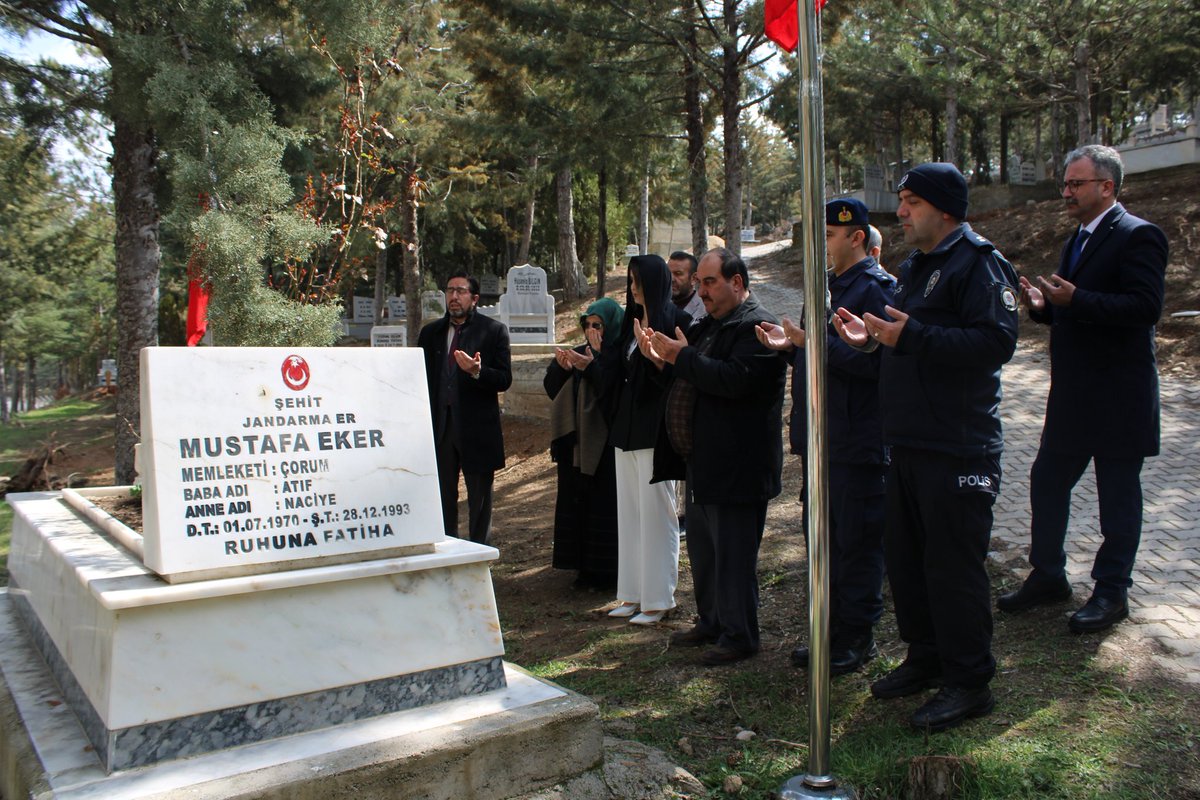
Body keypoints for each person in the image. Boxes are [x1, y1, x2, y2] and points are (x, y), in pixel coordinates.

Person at [834, 163, 1019, 731]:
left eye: (911, 201)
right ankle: (926, 655)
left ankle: (969, 681)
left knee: (952, 567)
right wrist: (872, 345)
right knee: (909, 562)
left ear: (943, 208)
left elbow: (997, 342)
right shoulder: (915, 266)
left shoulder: (980, 263)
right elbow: (901, 337)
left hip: (957, 447)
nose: (903, 212)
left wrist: (910, 336)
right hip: (908, 443)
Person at [997, 145, 1168, 633]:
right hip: (1073, 397)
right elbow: (1074, 308)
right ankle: (1048, 575)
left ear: (1107, 187)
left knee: (1117, 497)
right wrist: (1043, 306)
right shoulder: (1079, 239)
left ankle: (1112, 591)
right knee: (1047, 481)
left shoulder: (1140, 236)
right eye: (1066, 184)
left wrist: (1077, 298)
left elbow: (1144, 307)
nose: (1066, 192)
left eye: (1076, 184)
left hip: (1119, 396)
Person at [756, 198, 894, 676]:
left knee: (855, 544)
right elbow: (816, 359)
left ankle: (857, 638)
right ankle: (829, 629)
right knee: (823, 542)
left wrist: (811, 343)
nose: (822, 244)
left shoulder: (876, 290)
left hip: (856, 440)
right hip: (822, 438)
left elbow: (876, 364)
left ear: (857, 237)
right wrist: (788, 349)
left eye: (830, 235)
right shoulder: (826, 286)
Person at [644, 247, 787, 666]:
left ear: (737, 282)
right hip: (704, 461)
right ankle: (712, 621)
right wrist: (665, 362)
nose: (701, 292)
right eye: (700, 283)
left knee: (733, 556)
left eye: (710, 282)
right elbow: (694, 374)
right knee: (706, 552)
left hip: (738, 466)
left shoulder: (756, 326)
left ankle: (740, 635)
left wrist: (680, 356)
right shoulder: (713, 324)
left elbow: (733, 382)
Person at [594, 255, 691, 625]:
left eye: (637, 281)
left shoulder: (677, 322)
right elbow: (616, 377)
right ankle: (632, 594)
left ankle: (658, 598)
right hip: (626, 430)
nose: (632, 289)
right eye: (630, 282)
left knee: (657, 516)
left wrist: (656, 360)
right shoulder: (629, 326)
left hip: (656, 432)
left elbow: (677, 381)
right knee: (631, 516)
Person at [417, 271, 512, 545]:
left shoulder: (492, 331)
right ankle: (448, 552)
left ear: (474, 298)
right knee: (444, 496)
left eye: (460, 291)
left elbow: (505, 379)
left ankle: (478, 557)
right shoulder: (430, 334)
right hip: (441, 428)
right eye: (449, 290)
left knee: (479, 501)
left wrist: (478, 371)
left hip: (476, 429)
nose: (454, 297)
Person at [543, 298, 624, 589]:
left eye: (598, 325)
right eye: (587, 325)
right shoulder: (578, 352)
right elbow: (553, 389)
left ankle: (607, 572)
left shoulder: (619, 356)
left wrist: (594, 365)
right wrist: (562, 369)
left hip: (605, 449)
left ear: (611, 326)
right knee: (578, 507)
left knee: (603, 510)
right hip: (575, 447)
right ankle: (581, 568)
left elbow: (613, 395)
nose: (592, 331)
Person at [668, 251, 706, 320]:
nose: (671, 279)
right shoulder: (662, 306)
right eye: (668, 273)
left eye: (678, 273)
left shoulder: (705, 309)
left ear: (694, 278)